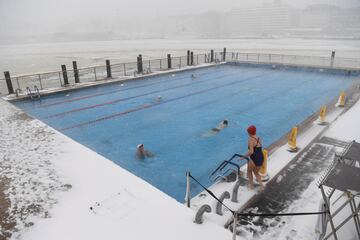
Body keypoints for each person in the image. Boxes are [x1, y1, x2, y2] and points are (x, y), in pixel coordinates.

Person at [245, 125, 265, 191]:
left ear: (249, 132)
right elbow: (258, 148)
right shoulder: (259, 138)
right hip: (261, 157)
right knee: (256, 173)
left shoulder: (251, 139)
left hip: (254, 159)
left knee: (249, 171)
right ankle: (262, 186)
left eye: (248, 132)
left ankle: (251, 186)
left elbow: (251, 151)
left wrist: (244, 156)